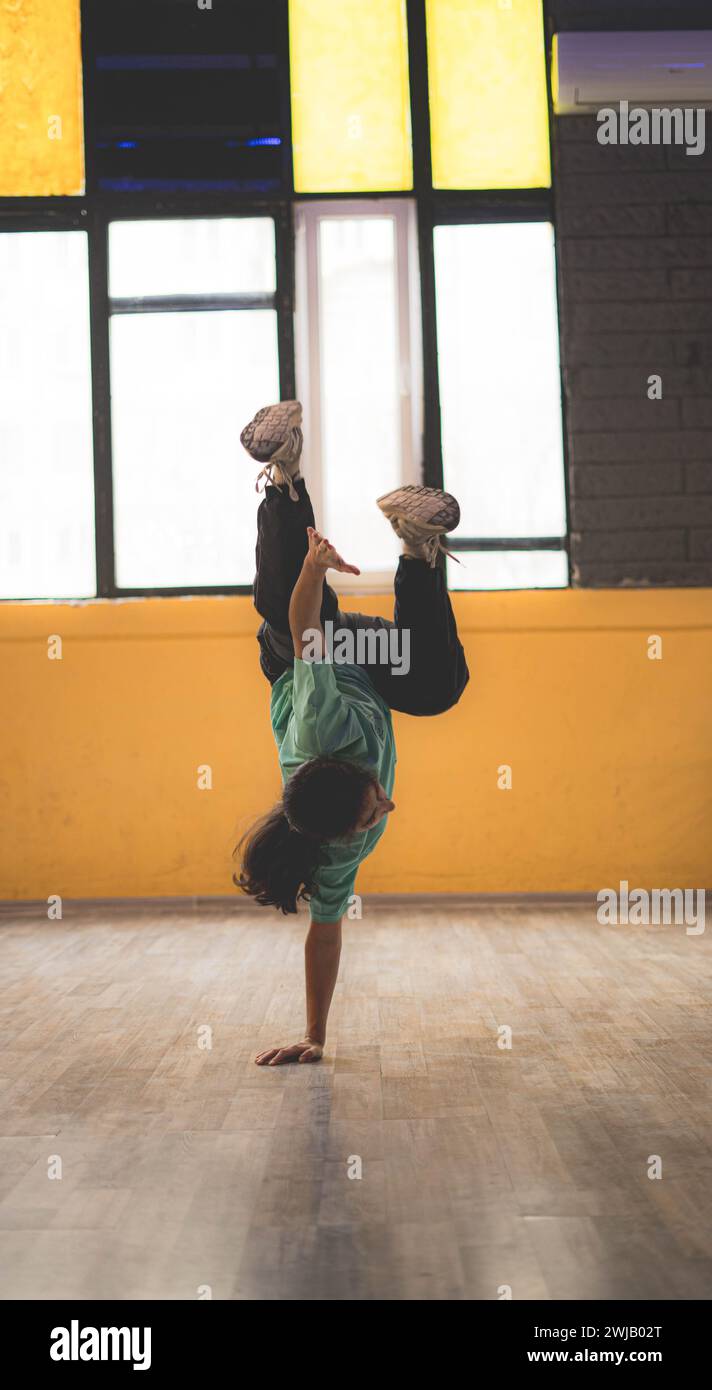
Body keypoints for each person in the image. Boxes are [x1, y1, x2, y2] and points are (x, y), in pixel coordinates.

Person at [234, 401, 469, 1064]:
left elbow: (310, 630)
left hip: (310, 655)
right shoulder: (334, 853)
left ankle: (283, 478)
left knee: (288, 613)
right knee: (438, 689)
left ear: (350, 773)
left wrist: (313, 568)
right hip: (368, 667)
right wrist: (315, 1036)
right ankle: (417, 545)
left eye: (375, 805)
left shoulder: (320, 727)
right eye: (373, 818)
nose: (387, 807)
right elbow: (326, 934)